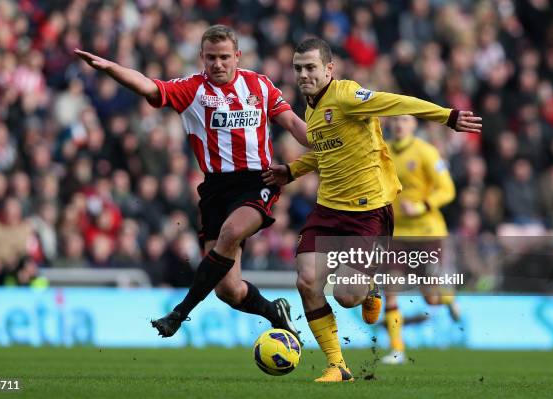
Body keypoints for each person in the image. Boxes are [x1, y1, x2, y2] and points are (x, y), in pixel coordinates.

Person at [263, 38, 481, 382]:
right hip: (328, 208)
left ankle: (372, 284)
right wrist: (291, 171)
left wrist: (447, 116)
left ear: (328, 69)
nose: (303, 74)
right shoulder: (310, 108)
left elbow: (397, 102)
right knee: (306, 281)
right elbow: (326, 151)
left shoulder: (348, 95)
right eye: (298, 68)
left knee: (347, 297)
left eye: (310, 68)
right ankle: (337, 364)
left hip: (367, 213)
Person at [75, 25, 309, 341]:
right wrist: (110, 68)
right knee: (229, 290)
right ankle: (273, 312)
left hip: (258, 180)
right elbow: (148, 86)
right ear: (201, 57)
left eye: (225, 57)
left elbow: (293, 122)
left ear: (237, 56)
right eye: (211, 57)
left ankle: (180, 312)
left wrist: (324, 143)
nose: (218, 64)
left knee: (230, 232)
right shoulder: (192, 89)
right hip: (215, 189)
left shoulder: (260, 85)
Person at [381, 115, 460, 365]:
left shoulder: (426, 152)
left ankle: (447, 298)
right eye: (394, 120)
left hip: (427, 231)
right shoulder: (382, 152)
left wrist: (422, 205)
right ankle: (396, 349)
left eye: (404, 120)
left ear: (414, 125)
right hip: (397, 234)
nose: (398, 124)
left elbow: (447, 189)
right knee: (390, 289)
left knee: (431, 296)